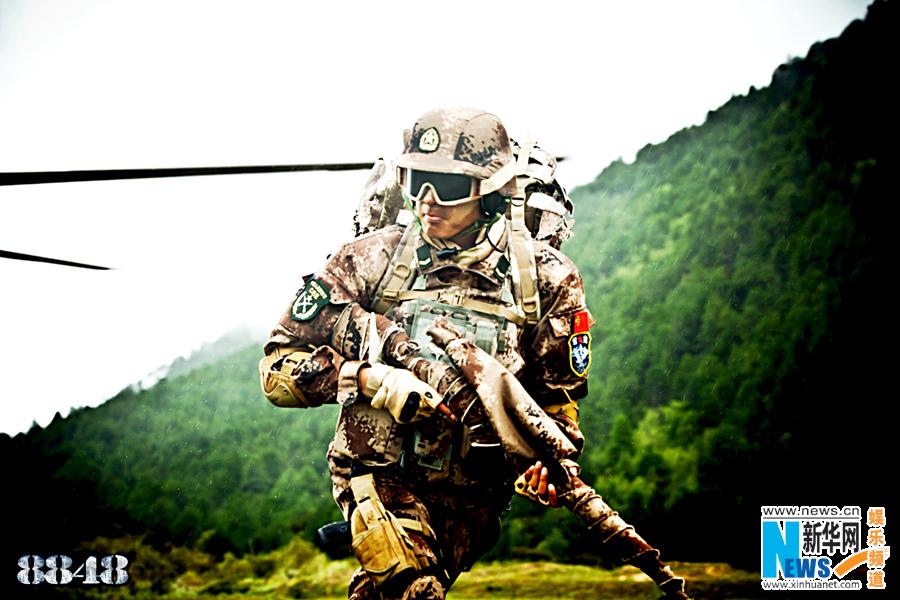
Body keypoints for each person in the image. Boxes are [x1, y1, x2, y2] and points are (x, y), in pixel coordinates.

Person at [260, 107, 687, 599]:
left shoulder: (546, 280)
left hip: (472, 501)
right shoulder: (369, 261)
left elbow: (557, 401)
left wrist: (546, 466)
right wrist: (370, 380)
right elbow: (277, 369)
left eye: (448, 186)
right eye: (416, 180)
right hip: (376, 474)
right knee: (408, 587)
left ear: (491, 190)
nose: (427, 201)